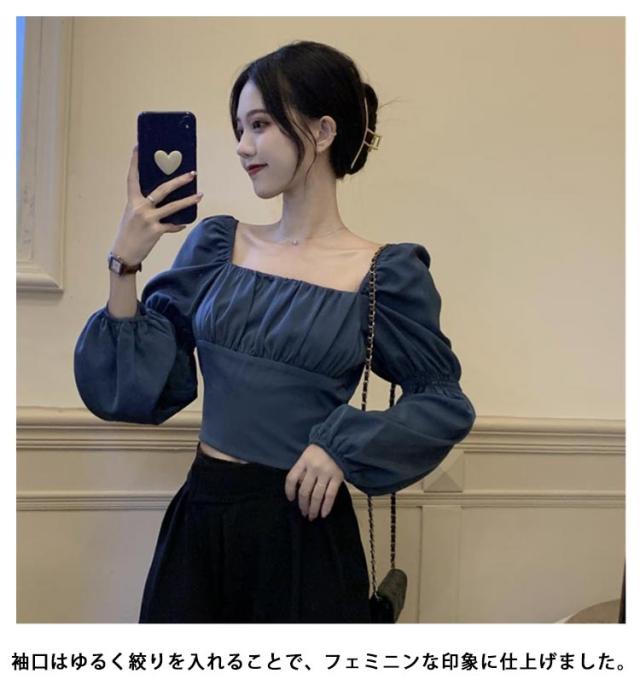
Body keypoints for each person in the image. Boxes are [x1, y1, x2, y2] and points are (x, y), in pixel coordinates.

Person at [73, 39, 476, 624]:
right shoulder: (217, 246)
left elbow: (443, 401)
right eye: (240, 128)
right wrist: (124, 262)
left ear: (322, 131)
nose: (242, 146)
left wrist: (341, 446)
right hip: (202, 521)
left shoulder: (383, 275)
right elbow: (134, 390)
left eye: (259, 125)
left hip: (303, 535)